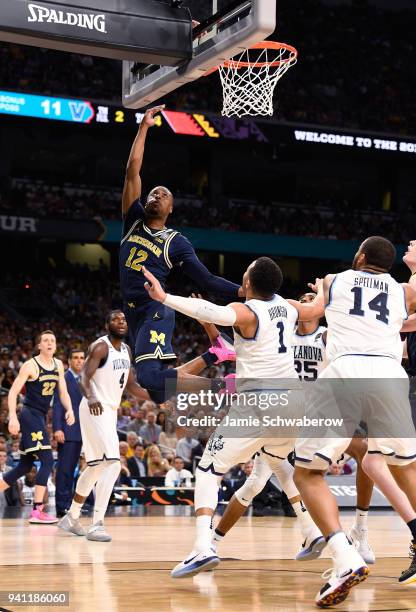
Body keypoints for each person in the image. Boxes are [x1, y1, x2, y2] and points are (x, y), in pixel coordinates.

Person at [142, 256, 325, 579]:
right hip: (295, 405)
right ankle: (311, 531)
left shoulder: (247, 311)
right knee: (278, 463)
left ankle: (203, 546)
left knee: (208, 470)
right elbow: (316, 309)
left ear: (250, 284)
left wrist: (164, 297)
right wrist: (325, 289)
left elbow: (211, 312)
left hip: (260, 404)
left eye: (244, 275)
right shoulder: (290, 306)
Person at [293, 236, 416, 606]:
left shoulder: (335, 280)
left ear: (360, 257)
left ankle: (345, 558)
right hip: (391, 376)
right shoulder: (403, 290)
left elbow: (308, 315)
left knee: (308, 473)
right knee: (405, 467)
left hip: (346, 372)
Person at [212, 293, 375, 564]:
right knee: (256, 483)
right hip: (283, 412)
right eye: (304, 299)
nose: (307, 301)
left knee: (364, 450)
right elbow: (239, 350)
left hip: (319, 414)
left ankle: (359, 530)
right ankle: (212, 542)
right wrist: (209, 328)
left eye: (312, 300)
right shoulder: (282, 334)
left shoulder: (326, 336)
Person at [120, 105, 241, 404]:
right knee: (158, 392)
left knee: (148, 377)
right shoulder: (132, 219)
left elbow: (208, 281)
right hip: (133, 310)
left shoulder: (176, 242)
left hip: (155, 309)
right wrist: (143, 127)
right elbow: (132, 170)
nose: (155, 196)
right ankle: (216, 354)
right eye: (153, 193)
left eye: (163, 194)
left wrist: (242, 291)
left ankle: (225, 388)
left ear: (171, 208)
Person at [58, 310, 149, 542]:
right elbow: (83, 378)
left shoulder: (127, 350)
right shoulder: (100, 347)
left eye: (124, 319)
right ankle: (97, 523)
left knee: (97, 466)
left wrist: (156, 398)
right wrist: (90, 397)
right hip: (93, 408)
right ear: (107, 324)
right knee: (114, 464)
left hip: (109, 411)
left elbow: (131, 386)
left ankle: (72, 516)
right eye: (116, 319)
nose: (121, 322)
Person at [0, 330, 74, 523]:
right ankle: (37, 511)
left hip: (40, 416)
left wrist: (70, 409)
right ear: (39, 346)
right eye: (46, 340)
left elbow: (63, 392)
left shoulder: (58, 364)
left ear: (56, 346)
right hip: (29, 415)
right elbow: (13, 392)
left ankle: (37, 511)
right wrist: (13, 418)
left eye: (53, 340)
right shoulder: (30, 365)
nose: (49, 343)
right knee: (48, 461)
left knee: (25, 466)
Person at [53, 348, 85, 517]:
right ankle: (61, 505)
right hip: (68, 430)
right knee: (65, 470)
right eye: (76, 358)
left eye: (82, 358)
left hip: (84, 432)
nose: (79, 361)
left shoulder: (86, 379)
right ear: (70, 361)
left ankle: (72, 505)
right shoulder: (64, 378)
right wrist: (58, 428)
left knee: (77, 471)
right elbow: (58, 404)